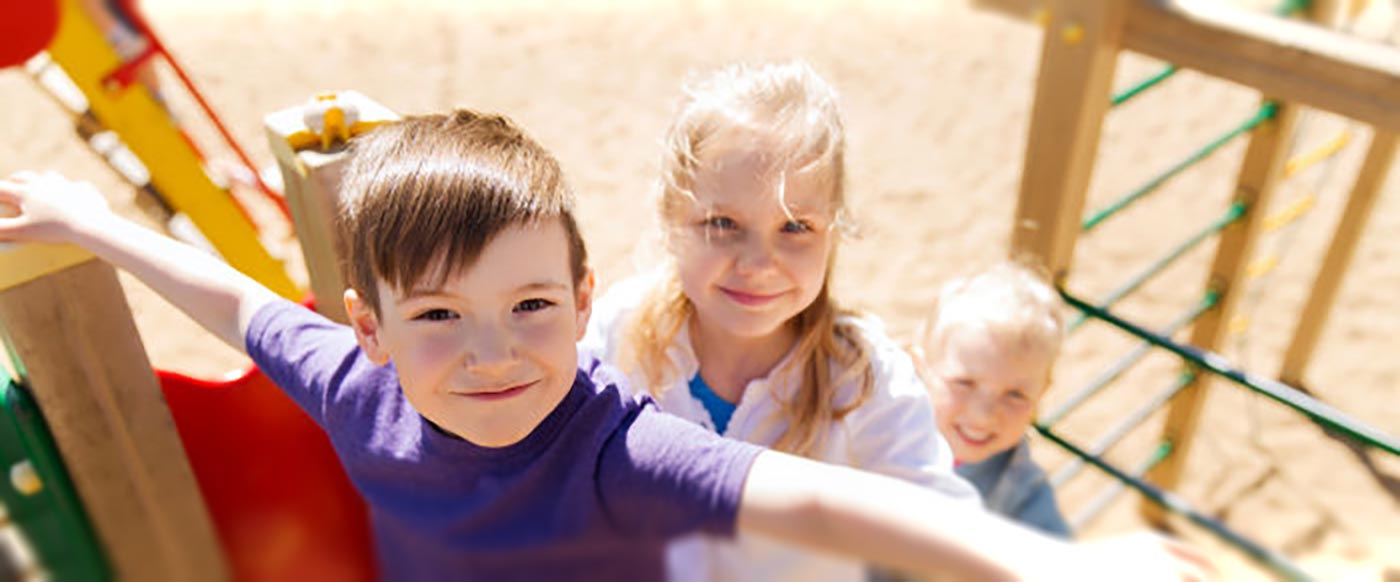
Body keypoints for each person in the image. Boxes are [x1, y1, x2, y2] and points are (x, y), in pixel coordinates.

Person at [0, 110, 1210, 582]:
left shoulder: (619, 453)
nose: (491, 356)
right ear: (367, 330)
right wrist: (93, 224)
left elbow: (838, 509)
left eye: (530, 308)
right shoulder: (351, 386)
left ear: (584, 304)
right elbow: (236, 303)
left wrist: (1047, 568)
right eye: (437, 317)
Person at [579, 60, 977, 582]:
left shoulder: (865, 378)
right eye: (722, 223)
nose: (758, 264)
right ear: (672, 219)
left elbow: (945, 528)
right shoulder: (617, 331)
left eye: (794, 227)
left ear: (833, 230)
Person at [917, 261, 1071, 537]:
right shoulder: (878, 426)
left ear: (1043, 391)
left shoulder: (1024, 497)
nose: (983, 415)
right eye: (964, 383)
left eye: (1016, 395)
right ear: (923, 368)